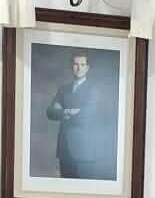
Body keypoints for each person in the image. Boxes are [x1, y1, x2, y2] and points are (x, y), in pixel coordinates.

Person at [46, 52, 111, 180]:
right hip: (65, 149)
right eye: (76, 64)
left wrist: (64, 110)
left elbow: (87, 116)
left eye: (82, 64)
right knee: (65, 187)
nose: (79, 68)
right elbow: (50, 112)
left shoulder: (93, 89)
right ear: (71, 67)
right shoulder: (63, 89)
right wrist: (68, 111)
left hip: (84, 150)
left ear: (87, 68)